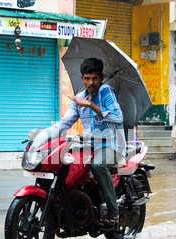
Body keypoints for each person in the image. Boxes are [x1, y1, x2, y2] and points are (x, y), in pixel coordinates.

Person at [52, 57, 126, 228]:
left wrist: (91, 105)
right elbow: (65, 123)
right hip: (89, 145)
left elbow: (118, 117)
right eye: (87, 78)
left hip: (112, 145)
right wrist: (45, 134)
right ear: (82, 78)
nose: (91, 82)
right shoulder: (79, 97)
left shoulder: (106, 92)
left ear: (101, 77)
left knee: (98, 165)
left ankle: (113, 215)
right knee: (65, 166)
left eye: (94, 78)